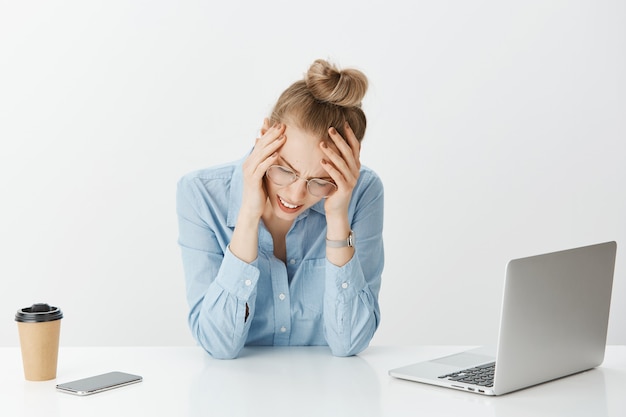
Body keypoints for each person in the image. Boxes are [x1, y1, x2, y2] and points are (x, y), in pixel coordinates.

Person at [176, 59, 384, 359]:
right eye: (284, 170)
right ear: (266, 138)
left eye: (319, 181)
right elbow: (218, 345)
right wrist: (248, 215)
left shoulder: (363, 193)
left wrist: (338, 216)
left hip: (331, 395)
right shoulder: (200, 194)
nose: (296, 194)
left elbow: (350, 343)